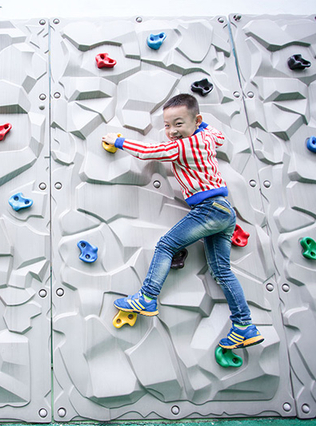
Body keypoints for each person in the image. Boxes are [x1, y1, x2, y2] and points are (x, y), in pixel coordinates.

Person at [102, 94, 263, 349]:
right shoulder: (206, 136)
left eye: (178, 124)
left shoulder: (182, 146)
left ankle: (147, 297)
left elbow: (150, 151)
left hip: (209, 209)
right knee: (221, 271)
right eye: (167, 125)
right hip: (224, 211)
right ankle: (244, 326)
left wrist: (119, 141)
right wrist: (202, 125)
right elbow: (219, 137)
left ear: (195, 120)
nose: (172, 131)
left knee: (166, 245)